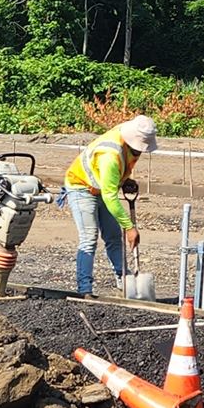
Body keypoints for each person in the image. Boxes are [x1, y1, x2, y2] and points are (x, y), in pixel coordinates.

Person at [65, 114, 157, 295]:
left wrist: (125, 180)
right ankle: (84, 289)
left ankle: (124, 281)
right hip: (81, 187)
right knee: (89, 238)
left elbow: (110, 183)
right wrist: (129, 227)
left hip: (102, 187)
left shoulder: (129, 141)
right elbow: (110, 196)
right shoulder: (110, 155)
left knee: (113, 237)